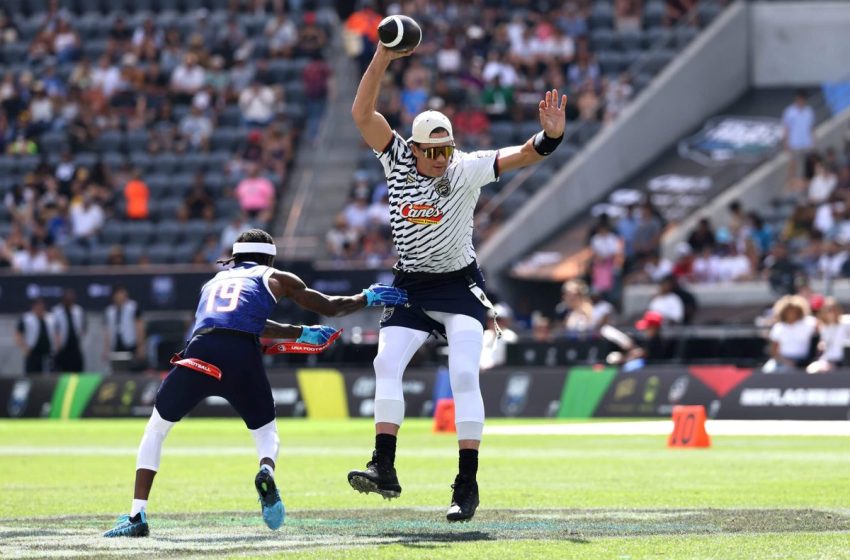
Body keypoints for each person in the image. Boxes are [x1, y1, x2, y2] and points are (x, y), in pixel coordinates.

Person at [347, 42, 567, 522]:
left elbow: (523, 155)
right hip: (409, 286)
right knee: (386, 363)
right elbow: (362, 112)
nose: (443, 157)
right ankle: (383, 466)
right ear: (417, 148)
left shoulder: (465, 167)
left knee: (464, 374)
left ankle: (466, 484)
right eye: (435, 151)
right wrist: (383, 56)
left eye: (448, 148)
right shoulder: (396, 158)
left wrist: (550, 138)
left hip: (458, 286)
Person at [103, 229, 407, 538]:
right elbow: (330, 306)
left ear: (235, 257)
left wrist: (298, 332)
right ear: (269, 257)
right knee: (266, 431)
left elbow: (235, 320)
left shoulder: (213, 282)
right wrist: (365, 297)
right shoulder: (276, 276)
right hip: (240, 354)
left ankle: (137, 512)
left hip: (200, 351)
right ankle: (266, 470)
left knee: (156, 429)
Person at [764, 295, 818, 373]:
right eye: (788, 311)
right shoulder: (779, 327)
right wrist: (785, 361)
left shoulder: (809, 323)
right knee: (767, 370)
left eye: (794, 311)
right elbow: (774, 351)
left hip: (803, 360)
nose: (791, 314)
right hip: (783, 360)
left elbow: (823, 328)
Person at [104, 285, 145, 365]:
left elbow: (139, 327)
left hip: (130, 344)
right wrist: (106, 349)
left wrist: (140, 346)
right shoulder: (110, 311)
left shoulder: (133, 307)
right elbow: (107, 330)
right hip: (116, 344)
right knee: (117, 369)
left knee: (131, 369)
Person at [15, 298, 55, 374]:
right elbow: (18, 333)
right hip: (33, 352)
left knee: (49, 374)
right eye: (38, 307)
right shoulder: (27, 318)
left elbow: (57, 333)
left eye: (41, 307)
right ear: (33, 307)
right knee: (32, 375)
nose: (40, 309)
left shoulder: (50, 318)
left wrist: (57, 347)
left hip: (48, 352)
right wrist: (24, 348)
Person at [52, 289, 86, 372]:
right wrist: (57, 344)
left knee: (78, 369)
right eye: (67, 299)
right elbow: (54, 329)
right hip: (62, 348)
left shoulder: (78, 311)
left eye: (71, 299)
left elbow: (83, 326)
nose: (69, 301)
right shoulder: (56, 311)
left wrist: (80, 336)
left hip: (75, 346)